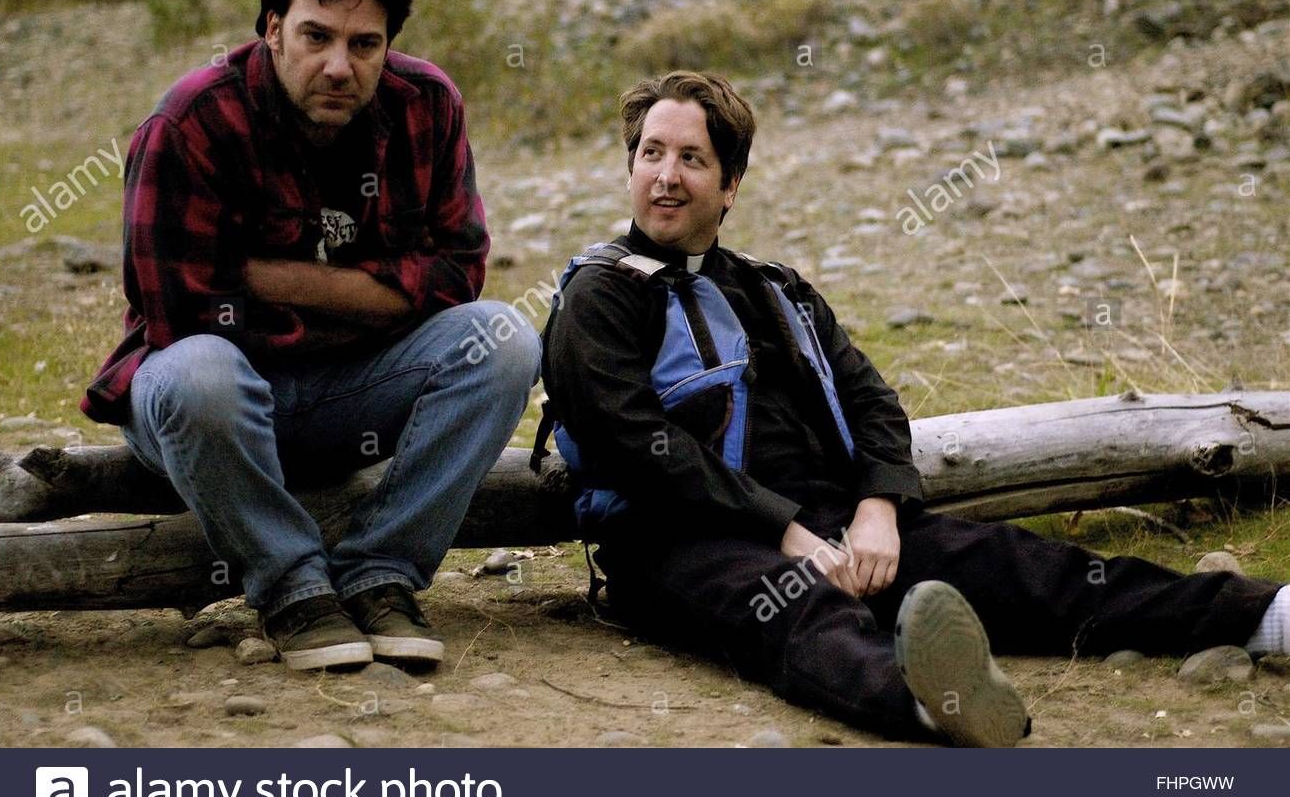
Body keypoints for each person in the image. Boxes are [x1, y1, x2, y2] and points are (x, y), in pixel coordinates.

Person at [539, 70, 1288, 746]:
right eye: (651, 154)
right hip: (680, 541)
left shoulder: (776, 288)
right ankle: (933, 704)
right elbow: (633, 443)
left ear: (730, 184)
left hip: (833, 521)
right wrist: (785, 530)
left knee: (1028, 568)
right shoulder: (600, 296)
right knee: (803, 611)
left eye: (691, 159)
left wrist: (879, 507)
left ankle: (1265, 615)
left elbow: (871, 401)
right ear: (631, 168)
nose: (666, 176)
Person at [81, 0, 540, 672]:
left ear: (388, 45)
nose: (338, 66)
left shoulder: (427, 104)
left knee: (503, 340)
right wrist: (380, 298)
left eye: (364, 45)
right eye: (316, 36)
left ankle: (380, 572)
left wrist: (269, 276)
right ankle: (292, 587)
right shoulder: (191, 122)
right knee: (202, 373)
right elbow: (182, 310)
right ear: (272, 28)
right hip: (208, 407)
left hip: (350, 394)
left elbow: (458, 275)